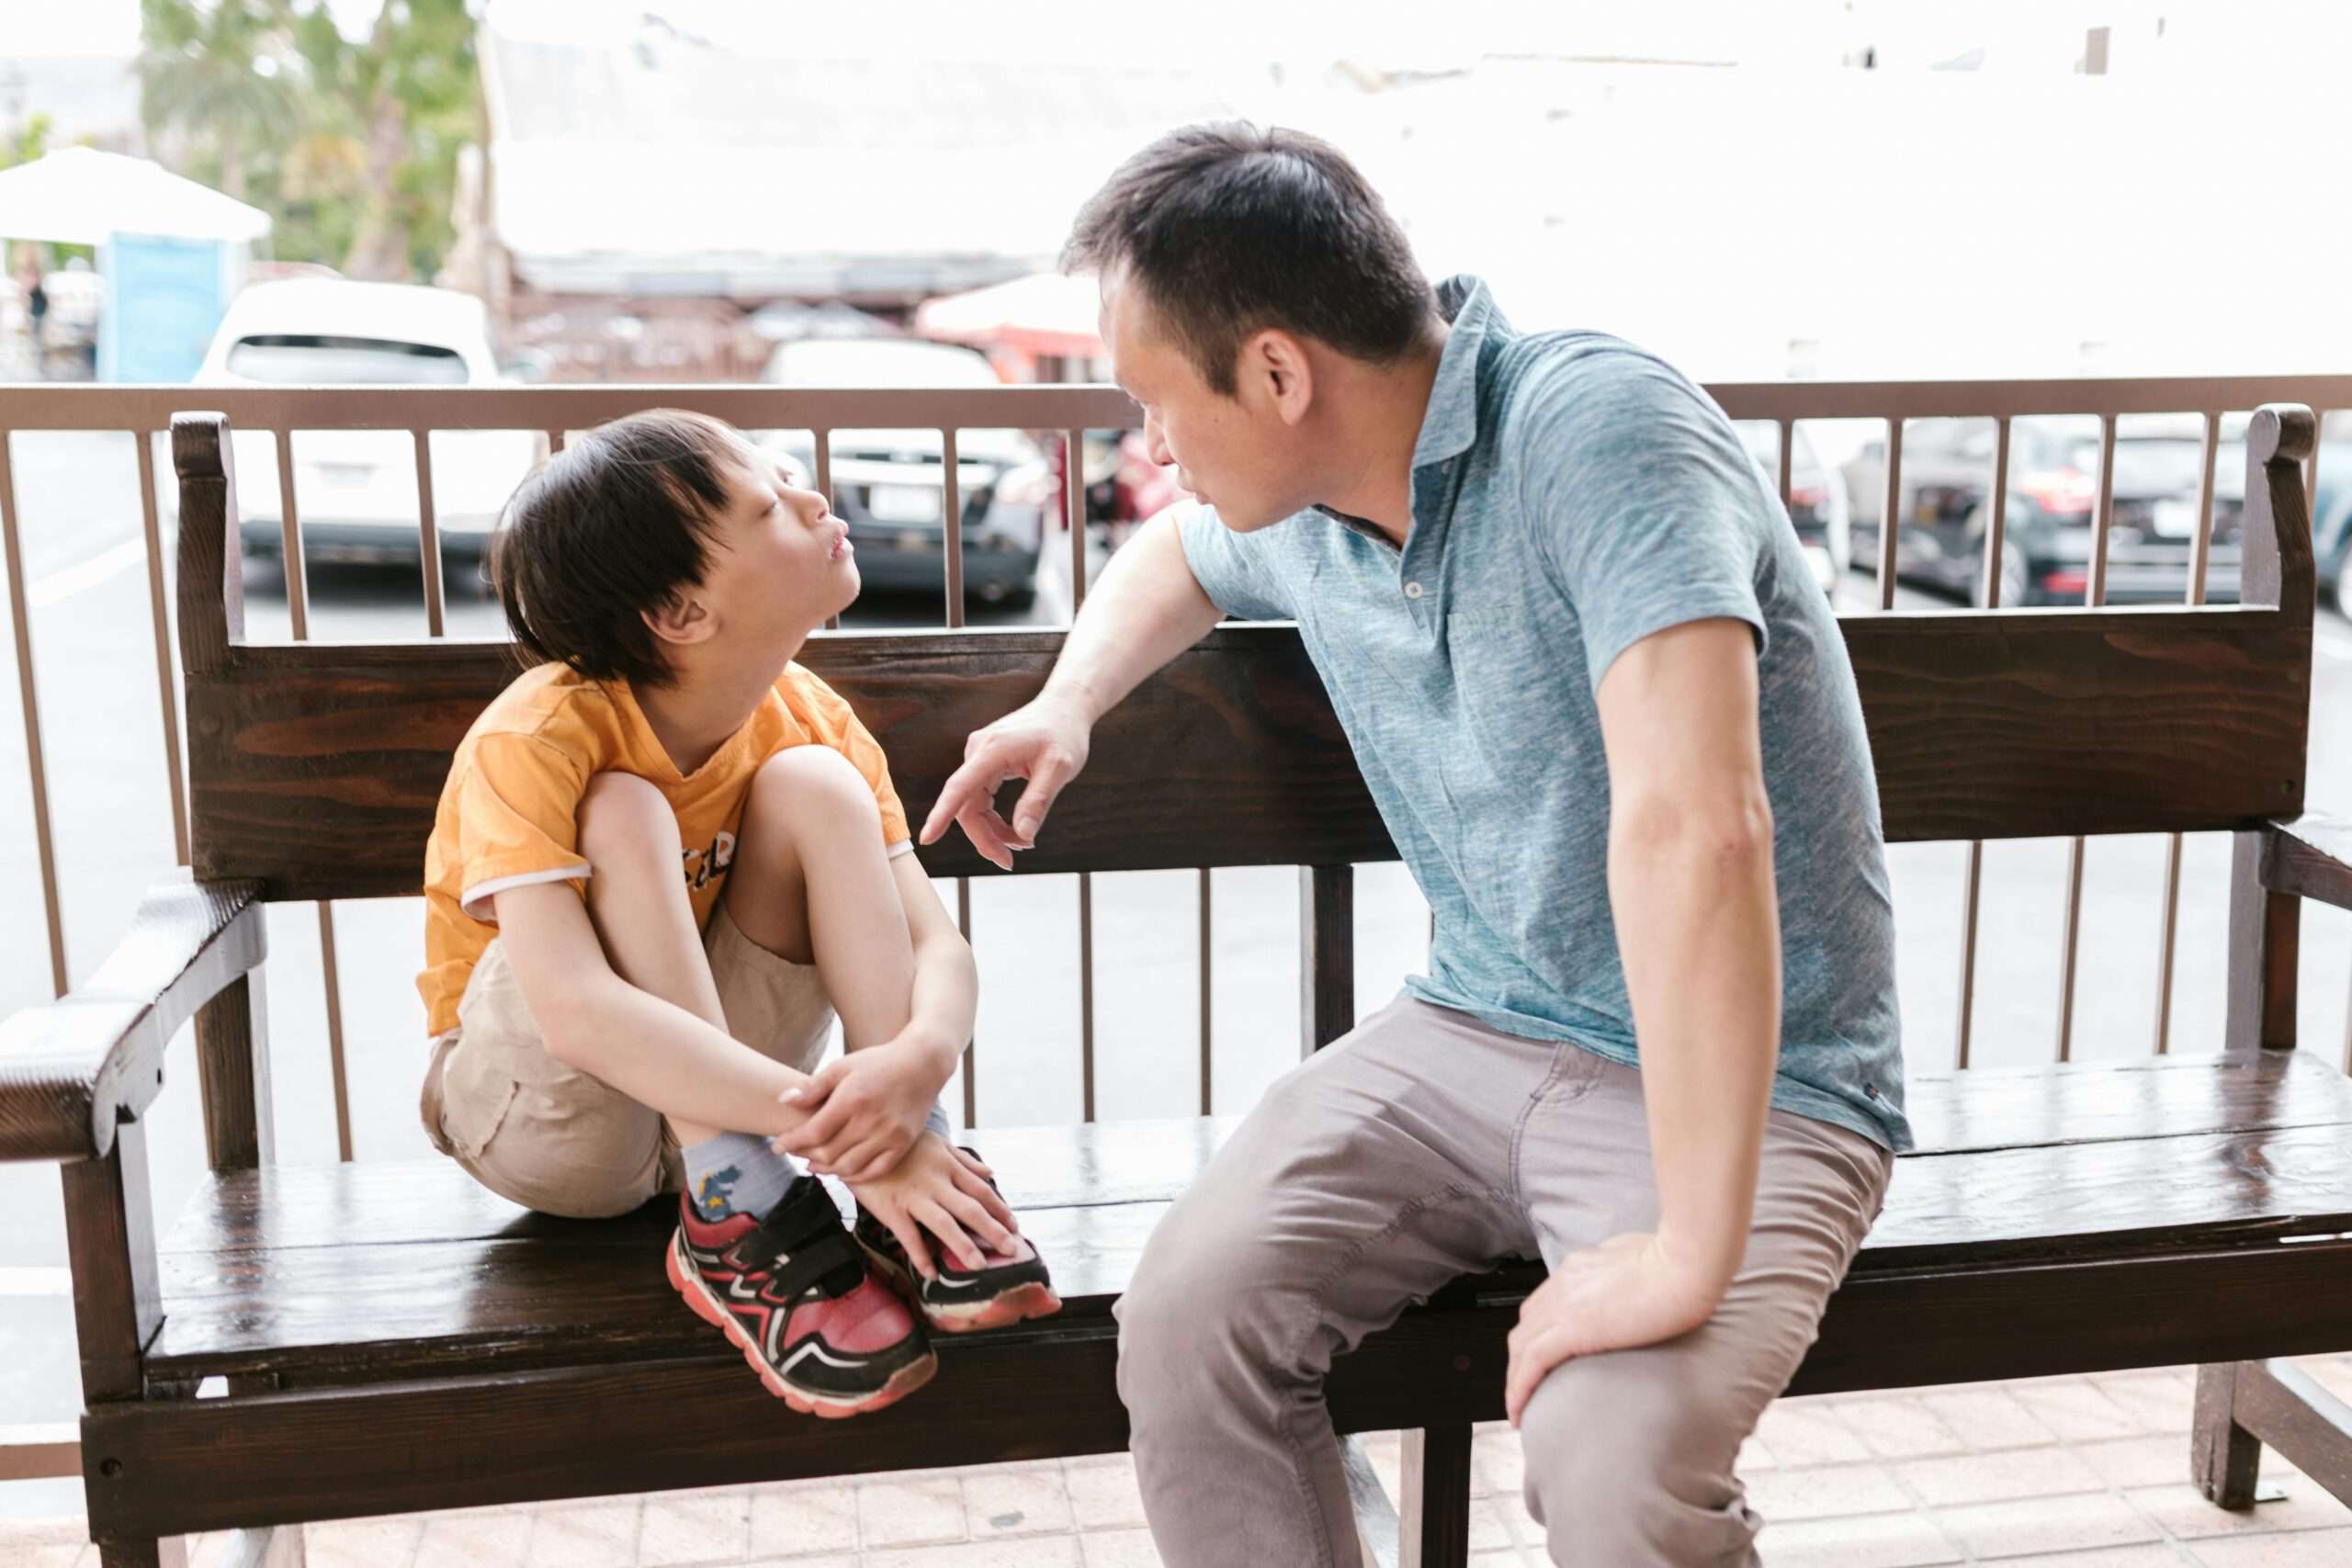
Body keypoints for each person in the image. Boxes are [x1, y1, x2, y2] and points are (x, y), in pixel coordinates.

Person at [923, 123, 1908, 1565]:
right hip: (1469, 1031)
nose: (1152, 444)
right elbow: (1175, 556)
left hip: (1751, 1073)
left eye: (1153, 400)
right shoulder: (1307, 495)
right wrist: (1067, 706)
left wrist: (1687, 1252)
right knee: (1186, 1323)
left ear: (1275, 372)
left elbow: (1698, 824)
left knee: (1614, 1455)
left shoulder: (1597, 425)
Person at [417, 409, 1059, 1418]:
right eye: (770, 505)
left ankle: (903, 1161)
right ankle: (738, 1202)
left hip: (726, 1094)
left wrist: (911, 1074)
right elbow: (576, 1012)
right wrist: (848, 1134)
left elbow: (934, 941)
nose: (812, 500)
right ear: (680, 611)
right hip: (550, 1121)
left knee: (817, 787)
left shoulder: (807, 718)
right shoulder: (538, 735)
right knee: (622, 807)